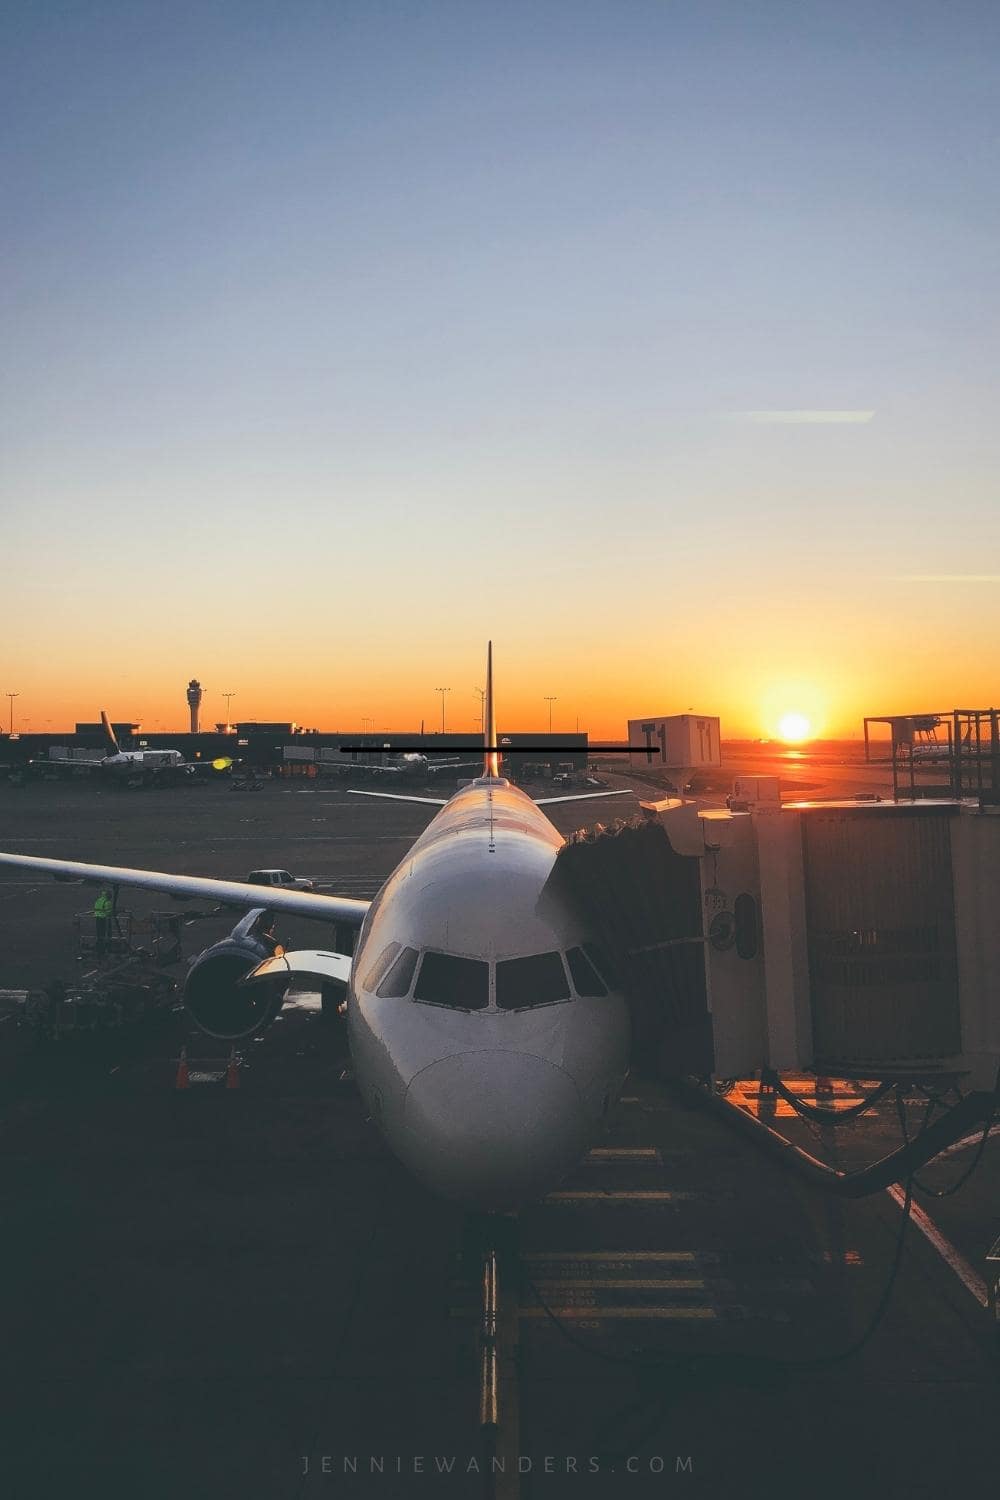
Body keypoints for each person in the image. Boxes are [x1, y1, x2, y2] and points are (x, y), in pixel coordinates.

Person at [94, 887, 113, 958]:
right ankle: (107, 944)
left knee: (100, 934)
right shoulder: (107, 902)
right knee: (107, 933)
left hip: (97, 918)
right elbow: (109, 912)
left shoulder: (99, 900)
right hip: (104, 919)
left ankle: (99, 946)